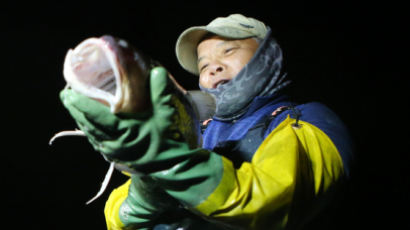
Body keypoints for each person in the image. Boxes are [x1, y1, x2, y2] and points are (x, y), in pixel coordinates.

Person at [60, 14, 354, 230]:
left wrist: (167, 164)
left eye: (229, 51)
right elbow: (115, 218)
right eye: (202, 64)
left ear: (268, 55)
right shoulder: (195, 127)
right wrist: (142, 196)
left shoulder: (308, 119)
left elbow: (273, 202)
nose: (213, 66)